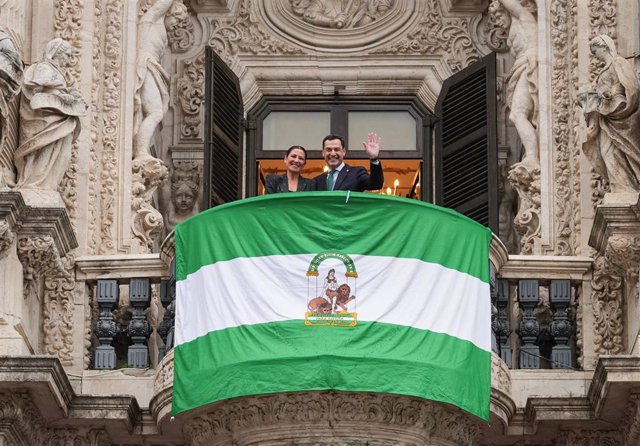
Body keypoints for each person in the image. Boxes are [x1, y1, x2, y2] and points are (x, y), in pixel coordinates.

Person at [14, 38, 86, 190]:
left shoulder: (58, 73)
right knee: (45, 150)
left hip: (60, 116)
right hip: (45, 117)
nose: (68, 60)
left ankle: (49, 185)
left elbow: (56, 89)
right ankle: (35, 184)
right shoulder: (43, 68)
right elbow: (37, 86)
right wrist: (61, 95)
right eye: (66, 55)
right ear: (56, 53)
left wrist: (69, 95)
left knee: (63, 155)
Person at [579, 34, 640, 192]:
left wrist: (611, 95)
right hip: (606, 116)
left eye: (596, 51)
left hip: (618, 112)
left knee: (619, 152)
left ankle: (627, 188)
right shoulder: (605, 68)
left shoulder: (618, 62)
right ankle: (619, 188)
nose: (595, 56)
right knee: (607, 153)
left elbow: (631, 87)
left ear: (604, 47)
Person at [133, 0, 188, 161]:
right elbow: (161, 6)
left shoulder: (161, 30)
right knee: (155, 112)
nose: (178, 25)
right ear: (169, 12)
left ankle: (142, 150)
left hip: (154, 68)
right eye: (177, 20)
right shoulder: (151, 19)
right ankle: (141, 152)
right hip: (146, 66)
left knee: (156, 112)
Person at [493, 0, 538, 165]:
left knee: (518, 113)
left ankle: (533, 157)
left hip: (530, 65)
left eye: (498, 15)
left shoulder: (524, 17)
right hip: (522, 67)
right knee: (518, 114)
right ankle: (532, 155)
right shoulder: (514, 28)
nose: (497, 22)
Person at [315, 133, 383, 192]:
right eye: (328, 150)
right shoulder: (317, 180)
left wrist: (374, 158)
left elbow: (376, 185)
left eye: (336, 149)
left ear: (343, 152)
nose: (333, 153)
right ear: (323, 153)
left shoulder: (356, 173)